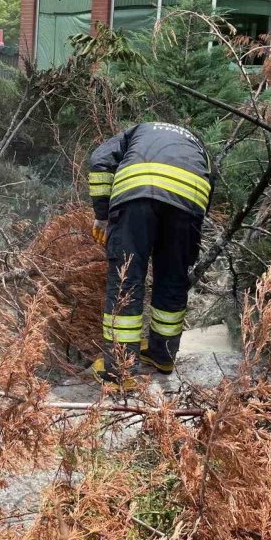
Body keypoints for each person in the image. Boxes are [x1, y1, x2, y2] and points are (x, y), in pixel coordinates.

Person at [88, 121, 213, 389]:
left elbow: (100, 161)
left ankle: (120, 370)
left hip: (137, 197)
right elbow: (209, 182)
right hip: (189, 203)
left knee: (127, 278)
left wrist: (102, 217)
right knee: (172, 278)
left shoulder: (137, 131)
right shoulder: (197, 144)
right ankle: (163, 355)